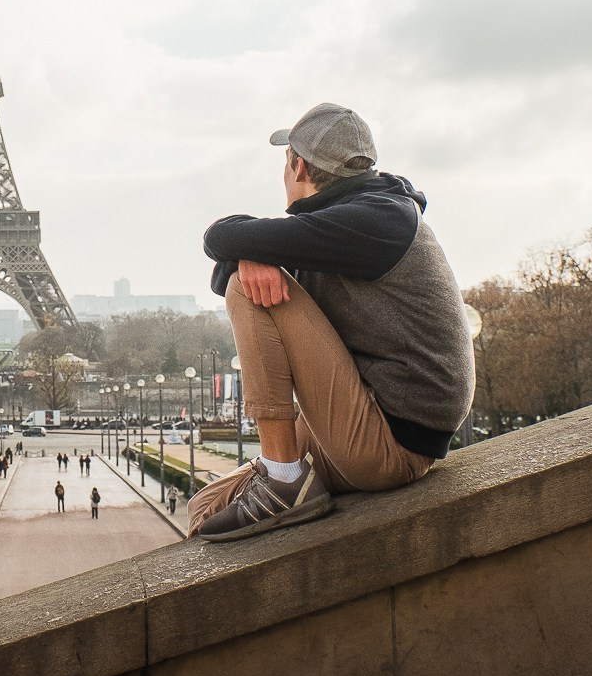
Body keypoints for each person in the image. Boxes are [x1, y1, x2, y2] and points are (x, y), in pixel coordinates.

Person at [191, 103, 473, 542]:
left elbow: (219, 237)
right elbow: (227, 255)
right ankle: (282, 477)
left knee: (248, 290)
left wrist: (247, 259)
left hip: (390, 439)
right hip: (370, 423)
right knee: (204, 507)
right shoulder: (344, 226)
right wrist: (250, 259)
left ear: (297, 165)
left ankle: (284, 478)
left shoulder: (380, 220)